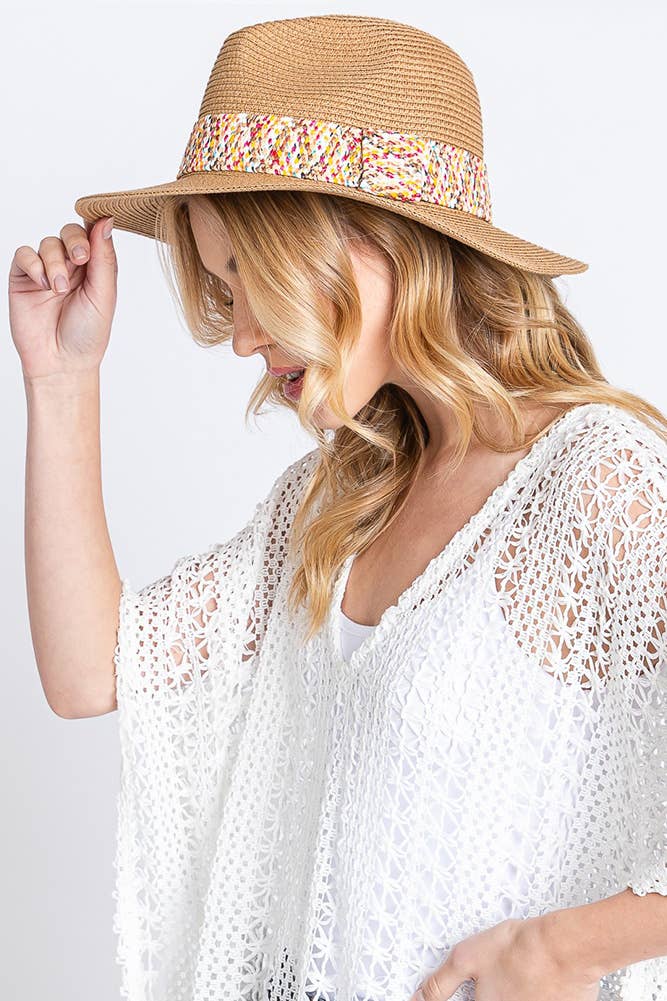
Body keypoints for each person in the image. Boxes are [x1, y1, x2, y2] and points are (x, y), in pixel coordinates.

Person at [10, 13, 667, 1001]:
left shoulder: (593, 483)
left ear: (370, 240)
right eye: (222, 285)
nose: (240, 335)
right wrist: (60, 381)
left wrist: (558, 949)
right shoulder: (336, 503)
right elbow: (89, 672)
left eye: (247, 273)